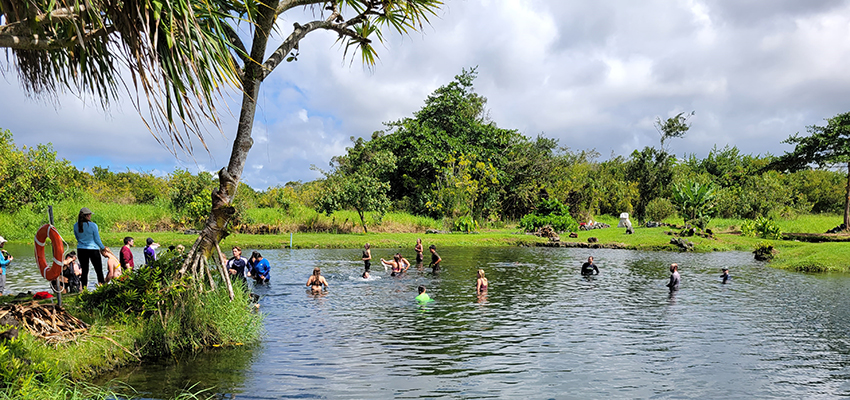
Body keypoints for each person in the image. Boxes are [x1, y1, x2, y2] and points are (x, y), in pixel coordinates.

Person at [74, 207, 106, 288]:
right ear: (87, 215)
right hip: (93, 249)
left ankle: (84, 288)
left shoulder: (76, 226)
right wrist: (102, 247)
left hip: (81, 249)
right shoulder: (93, 225)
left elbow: (77, 238)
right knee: (98, 270)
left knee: (84, 270)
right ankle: (102, 286)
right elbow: (97, 239)